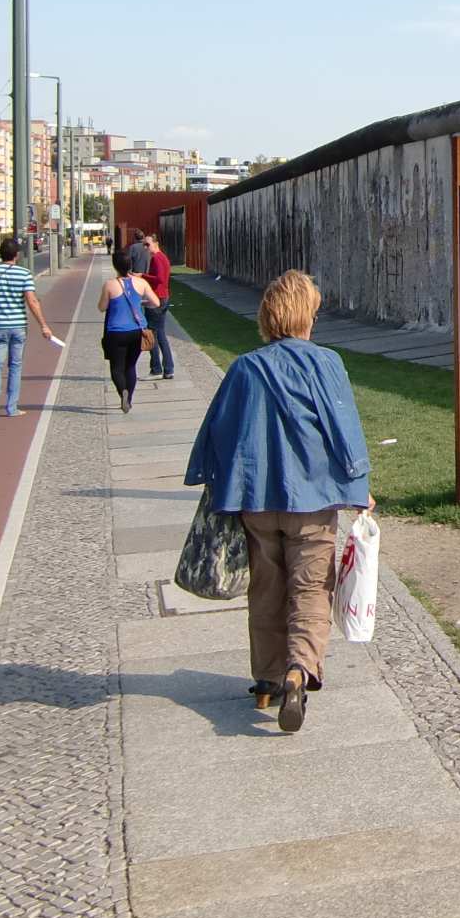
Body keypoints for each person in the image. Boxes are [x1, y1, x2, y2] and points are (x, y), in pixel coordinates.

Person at [183, 269, 370, 733]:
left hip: (257, 499)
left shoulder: (245, 368)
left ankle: (267, 677)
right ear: (307, 316)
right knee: (311, 588)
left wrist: (211, 479)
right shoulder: (325, 363)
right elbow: (343, 429)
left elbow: (219, 430)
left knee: (265, 589)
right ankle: (299, 670)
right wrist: (358, 484)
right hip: (313, 499)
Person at [0, 236, 55, 420]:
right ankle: (12, 408)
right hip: (19, 325)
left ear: (0, 254)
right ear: (16, 255)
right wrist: (43, 325)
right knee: (15, 366)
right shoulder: (24, 274)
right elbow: (32, 301)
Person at [98, 249, 160, 413]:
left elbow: (102, 307)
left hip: (115, 332)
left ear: (115, 266)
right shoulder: (141, 283)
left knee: (116, 367)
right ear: (130, 265)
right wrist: (142, 303)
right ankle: (129, 398)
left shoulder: (110, 284)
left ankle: (122, 391)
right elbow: (155, 303)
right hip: (137, 331)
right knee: (130, 366)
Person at [143, 233, 175, 380]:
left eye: (148, 244)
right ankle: (168, 368)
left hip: (156, 298)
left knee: (152, 334)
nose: (145, 247)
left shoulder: (156, 258)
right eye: (144, 244)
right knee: (161, 334)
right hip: (164, 297)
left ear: (156, 244)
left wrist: (142, 276)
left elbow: (160, 278)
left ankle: (156, 369)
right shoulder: (162, 257)